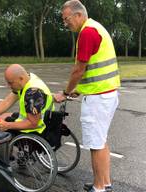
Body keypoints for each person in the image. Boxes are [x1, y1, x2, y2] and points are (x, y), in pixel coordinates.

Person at [54, 1, 120, 192]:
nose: (65, 24)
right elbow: (94, 69)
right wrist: (80, 90)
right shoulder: (95, 27)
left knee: (95, 145)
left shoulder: (87, 33)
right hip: (107, 94)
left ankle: (98, 188)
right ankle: (104, 182)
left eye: (66, 19)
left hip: (98, 99)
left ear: (78, 15)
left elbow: (79, 70)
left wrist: (66, 93)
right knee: (101, 141)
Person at [0, 64, 54, 137]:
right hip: (43, 120)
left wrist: (7, 125)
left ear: (21, 78)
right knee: (2, 117)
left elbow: (33, 124)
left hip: (38, 130)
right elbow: (7, 102)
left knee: (0, 123)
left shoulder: (32, 93)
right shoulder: (28, 79)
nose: (8, 86)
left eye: (10, 83)